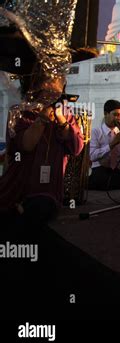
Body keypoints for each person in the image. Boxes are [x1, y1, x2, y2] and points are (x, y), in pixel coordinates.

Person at [0, 73, 84, 231]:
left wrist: (62, 121)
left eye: (57, 89)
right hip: (19, 190)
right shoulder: (19, 113)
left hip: (49, 194)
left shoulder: (65, 114)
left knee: (40, 213)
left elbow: (76, 148)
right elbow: (26, 145)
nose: (53, 95)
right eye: (48, 89)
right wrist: (42, 120)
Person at [89, 100, 120, 190]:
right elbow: (92, 156)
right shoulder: (95, 132)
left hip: (116, 171)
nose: (118, 118)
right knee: (103, 182)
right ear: (106, 113)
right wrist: (112, 144)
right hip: (100, 170)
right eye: (115, 114)